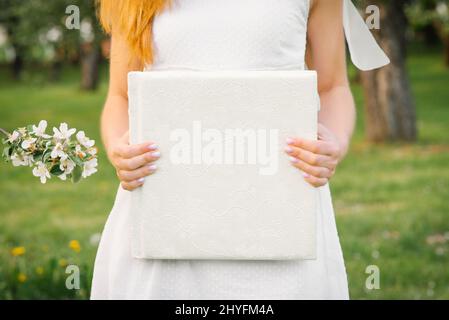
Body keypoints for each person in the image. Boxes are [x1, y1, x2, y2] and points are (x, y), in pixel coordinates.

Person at [91, 0, 389, 299]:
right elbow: (119, 96)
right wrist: (119, 147)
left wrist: (335, 140)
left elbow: (333, 85)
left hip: (281, 207)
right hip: (164, 207)